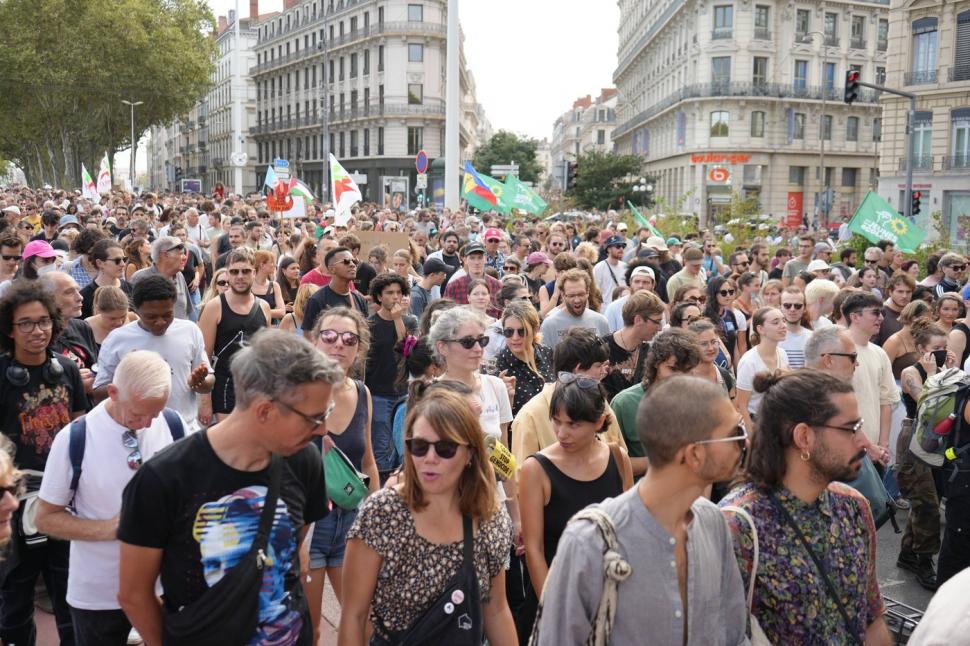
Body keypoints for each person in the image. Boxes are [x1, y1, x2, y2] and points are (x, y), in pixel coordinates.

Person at [117, 330, 338, 645]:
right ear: (264, 410)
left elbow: (290, 552)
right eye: (315, 418)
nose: (324, 429)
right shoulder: (163, 479)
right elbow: (134, 594)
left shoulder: (304, 461)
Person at [534, 376, 749, 644]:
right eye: (735, 433)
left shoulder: (713, 522)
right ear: (694, 454)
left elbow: (735, 634)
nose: (744, 443)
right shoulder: (589, 540)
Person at [719, 370, 892, 645]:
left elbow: (871, 617)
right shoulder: (737, 526)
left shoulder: (853, 506)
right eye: (850, 429)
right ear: (804, 437)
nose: (862, 441)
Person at [339, 390, 516, 644]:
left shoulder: (489, 517)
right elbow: (354, 616)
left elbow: (497, 610)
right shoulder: (381, 514)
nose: (429, 459)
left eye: (445, 448)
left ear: (469, 454)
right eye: (419, 447)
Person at [35, 351, 183, 646]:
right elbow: (44, 518)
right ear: (113, 392)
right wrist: (111, 528)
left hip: (164, 586)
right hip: (99, 595)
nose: (148, 424)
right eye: (138, 414)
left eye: (155, 413)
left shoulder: (173, 423)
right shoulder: (75, 438)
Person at [0, 280, 88, 646]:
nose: (37, 331)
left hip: (63, 496)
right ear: (10, 329)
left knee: (67, 586)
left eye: (43, 322)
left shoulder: (66, 371)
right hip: (17, 500)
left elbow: (81, 425)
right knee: (16, 590)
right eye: (26, 323)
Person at [519, 376, 633, 636]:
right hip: (556, 600)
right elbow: (534, 550)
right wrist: (555, 608)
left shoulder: (618, 458)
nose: (561, 433)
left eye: (573, 424)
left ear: (600, 422)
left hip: (609, 600)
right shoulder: (536, 469)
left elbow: (627, 534)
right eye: (556, 421)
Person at [305, 308, 380, 644]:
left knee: (363, 623)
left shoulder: (362, 393)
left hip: (351, 522)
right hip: (308, 525)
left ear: (359, 347)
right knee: (312, 629)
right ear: (314, 340)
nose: (339, 344)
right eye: (329, 336)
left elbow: (367, 459)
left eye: (349, 339)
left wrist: (376, 513)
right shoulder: (297, 392)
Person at [93, 275, 214, 431]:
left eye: (167, 315)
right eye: (151, 317)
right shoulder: (117, 340)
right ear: (136, 310)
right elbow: (99, 392)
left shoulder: (190, 331)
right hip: (137, 431)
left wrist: (198, 382)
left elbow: (208, 381)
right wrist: (130, 380)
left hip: (183, 428)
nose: (160, 322)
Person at [896, 324, 952, 591]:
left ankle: (908, 552)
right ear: (921, 350)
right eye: (935, 349)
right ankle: (924, 561)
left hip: (939, 439)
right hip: (915, 437)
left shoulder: (946, 371)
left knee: (925, 498)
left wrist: (947, 372)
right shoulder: (911, 372)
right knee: (927, 503)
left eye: (944, 348)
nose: (941, 354)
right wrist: (934, 375)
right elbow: (926, 402)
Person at [611, 329, 702, 477]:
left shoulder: (698, 401)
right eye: (672, 369)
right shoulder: (624, 404)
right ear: (656, 364)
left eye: (686, 370)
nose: (679, 377)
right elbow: (613, 464)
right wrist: (665, 461)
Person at [198, 249, 271, 420]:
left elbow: (266, 355)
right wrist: (205, 402)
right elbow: (203, 358)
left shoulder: (264, 307)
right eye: (234, 271)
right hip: (224, 387)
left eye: (245, 271)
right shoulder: (214, 307)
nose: (240, 276)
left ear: (254, 273)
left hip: (256, 388)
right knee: (228, 444)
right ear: (228, 274)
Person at [366, 273, 418, 478]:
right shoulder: (369, 325)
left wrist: (397, 319)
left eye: (398, 292)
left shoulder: (408, 321)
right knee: (381, 450)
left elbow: (407, 349)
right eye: (389, 293)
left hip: (403, 393)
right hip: (378, 394)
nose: (395, 297)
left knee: (404, 449)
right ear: (379, 297)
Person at [843, 292, 897, 464]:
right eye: (875, 313)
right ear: (855, 317)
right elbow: (836, 405)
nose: (881, 318)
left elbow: (886, 401)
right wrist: (866, 445)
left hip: (875, 453)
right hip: (845, 450)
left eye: (882, 313)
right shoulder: (837, 350)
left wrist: (882, 445)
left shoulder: (879, 353)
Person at [601, 290, 665, 400]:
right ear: (638, 320)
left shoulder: (651, 353)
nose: (659, 328)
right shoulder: (601, 349)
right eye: (657, 321)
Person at [494, 300, 553, 417]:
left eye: (522, 331)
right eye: (509, 332)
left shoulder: (547, 353)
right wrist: (503, 397)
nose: (515, 337)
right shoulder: (497, 367)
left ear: (535, 329)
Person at [735, 307, 790, 432]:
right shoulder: (748, 361)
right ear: (760, 329)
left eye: (783, 320)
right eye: (776, 322)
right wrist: (751, 437)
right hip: (758, 425)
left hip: (780, 422)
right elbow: (741, 405)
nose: (783, 326)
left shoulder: (782, 353)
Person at [301, 247, 368, 338]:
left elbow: (364, 334)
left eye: (354, 261)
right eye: (346, 261)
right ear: (332, 269)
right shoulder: (316, 300)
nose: (352, 265)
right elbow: (308, 337)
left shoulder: (359, 299)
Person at [538, 268, 610, 345]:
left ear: (588, 292)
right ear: (563, 295)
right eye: (572, 296)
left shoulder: (600, 322)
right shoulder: (549, 325)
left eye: (581, 294)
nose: (577, 300)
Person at [130, 236, 194, 320]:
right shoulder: (140, 278)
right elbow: (132, 315)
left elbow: (186, 311)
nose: (185, 258)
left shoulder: (179, 276)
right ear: (165, 254)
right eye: (181, 253)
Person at [443, 241, 502, 318]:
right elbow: (445, 315)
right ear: (465, 260)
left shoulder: (497, 285)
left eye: (480, 258)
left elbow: (502, 316)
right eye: (472, 258)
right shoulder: (454, 286)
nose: (476, 262)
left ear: (485, 259)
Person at [79, 238, 132, 320]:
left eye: (124, 259)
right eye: (117, 260)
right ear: (100, 263)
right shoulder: (85, 296)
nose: (123, 264)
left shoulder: (131, 288)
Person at [703, 276, 748, 365]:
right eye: (723, 293)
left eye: (730, 292)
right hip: (714, 366)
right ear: (714, 294)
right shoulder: (705, 317)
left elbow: (735, 347)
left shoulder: (730, 314)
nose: (728, 295)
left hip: (730, 366)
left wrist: (737, 372)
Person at [689, 319, 736, 398]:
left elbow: (734, 408)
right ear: (692, 346)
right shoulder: (684, 379)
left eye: (713, 342)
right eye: (704, 344)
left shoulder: (726, 376)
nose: (711, 348)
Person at [778, 286, 812, 369]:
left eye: (797, 306)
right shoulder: (772, 337)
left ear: (804, 308)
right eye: (787, 305)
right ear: (780, 307)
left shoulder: (813, 338)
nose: (792, 309)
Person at [593, 235, 628, 309]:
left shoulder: (625, 267)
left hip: (623, 308)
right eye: (618, 246)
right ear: (609, 249)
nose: (621, 249)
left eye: (622, 246)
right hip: (606, 309)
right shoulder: (599, 268)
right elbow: (595, 293)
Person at [251, 250, 286, 322]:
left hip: (269, 327)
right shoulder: (248, 284)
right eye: (272, 262)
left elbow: (282, 312)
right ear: (262, 265)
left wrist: (257, 312)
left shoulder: (274, 286)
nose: (274, 265)